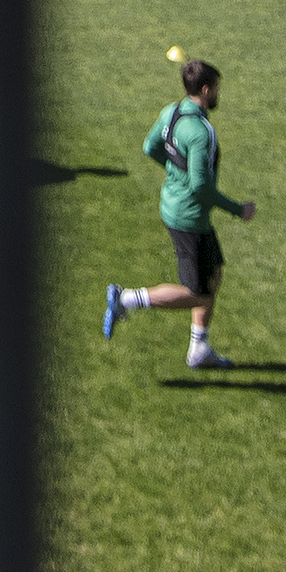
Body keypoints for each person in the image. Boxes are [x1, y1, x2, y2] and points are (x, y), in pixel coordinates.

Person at [100, 57, 252, 368]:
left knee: (214, 274)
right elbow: (201, 187)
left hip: (176, 207)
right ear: (206, 90)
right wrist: (239, 210)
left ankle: (199, 349)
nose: (218, 93)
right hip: (189, 218)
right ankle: (127, 299)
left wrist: (174, 172)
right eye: (216, 88)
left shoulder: (171, 112)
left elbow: (150, 147)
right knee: (199, 293)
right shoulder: (201, 132)